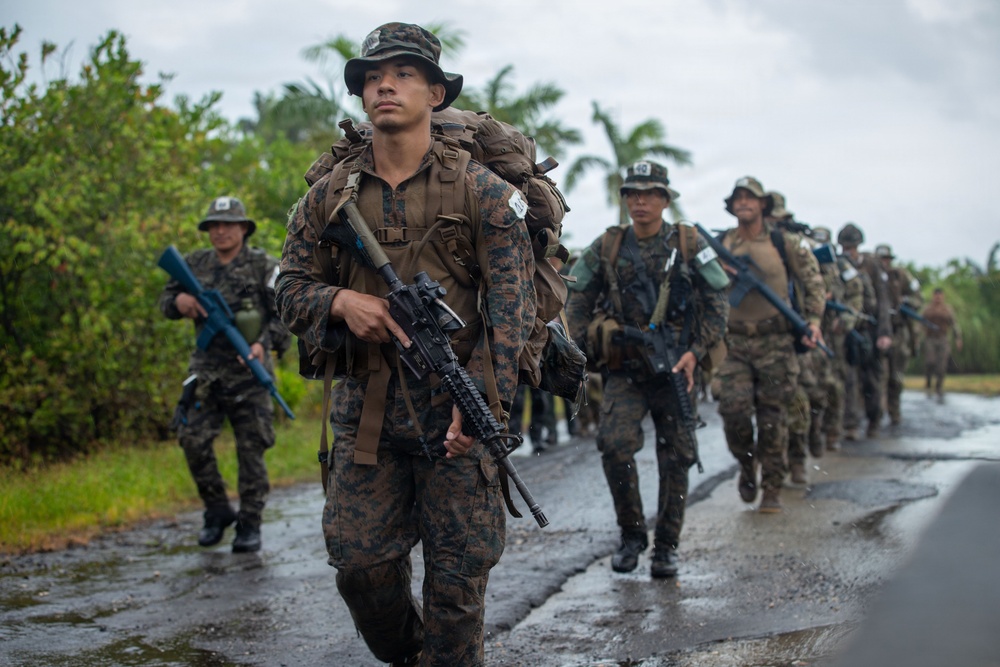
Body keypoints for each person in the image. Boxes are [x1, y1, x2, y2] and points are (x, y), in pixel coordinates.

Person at [274, 23, 535, 666]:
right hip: (366, 412)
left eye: (404, 73)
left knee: (456, 586)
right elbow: (288, 293)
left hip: (458, 408)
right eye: (372, 76)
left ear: (437, 93)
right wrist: (340, 301)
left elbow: (513, 311)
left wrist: (480, 399)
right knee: (360, 571)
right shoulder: (326, 198)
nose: (384, 84)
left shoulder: (484, 193)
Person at [566, 161, 729, 577]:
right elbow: (577, 298)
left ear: (665, 199)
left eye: (650, 193)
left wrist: (695, 352)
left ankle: (666, 546)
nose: (641, 200)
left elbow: (717, 304)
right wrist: (584, 349)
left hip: (677, 366)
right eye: (633, 193)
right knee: (614, 445)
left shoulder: (688, 242)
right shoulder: (609, 245)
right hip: (626, 369)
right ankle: (632, 535)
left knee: (677, 457)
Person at [158, 196, 289, 553]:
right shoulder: (194, 264)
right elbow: (167, 302)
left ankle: (250, 524)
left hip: (251, 372)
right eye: (213, 225)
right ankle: (216, 510)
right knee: (192, 438)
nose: (220, 231)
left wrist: (262, 344)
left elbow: (287, 315)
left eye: (228, 224)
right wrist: (181, 303)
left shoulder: (265, 266)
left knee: (251, 450)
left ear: (243, 228)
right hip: (206, 371)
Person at [715, 177, 825, 512]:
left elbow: (813, 282)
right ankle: (747, 465)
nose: (744, 202)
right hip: (733, 342)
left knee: (772, 418)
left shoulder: (784, 242)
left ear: (764, 204)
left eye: (751, 197)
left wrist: (815, 322)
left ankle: (772, 486)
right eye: (739, 198)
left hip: (776, 341)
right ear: (732, 205)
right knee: (732, 411)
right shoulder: (721, 244)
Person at [766, 192, 826, 485]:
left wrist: (814, 320)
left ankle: (798, 457)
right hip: (760, 334)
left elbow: (817, 281)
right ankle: (769, 466)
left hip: (794, 332)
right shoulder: (746, 243)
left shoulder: (793, 245)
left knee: (801, 396)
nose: (773, 224)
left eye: (778, 219)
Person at [811, 226, 864, 453]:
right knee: (809, 385)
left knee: (835, 384)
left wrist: (845, 320)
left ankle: (833, 432)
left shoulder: (840, 265)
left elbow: (856, 293)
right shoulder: (804, 260)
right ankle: (812, 433)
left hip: (834, 334)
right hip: (809, 332)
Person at [837, 223, 892, 439]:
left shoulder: (872, 265)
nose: (848, 251)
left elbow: (883, 301)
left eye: (851, 247)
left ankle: (874, 421)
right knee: (849, 380)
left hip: (870, 329)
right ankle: (850, 424)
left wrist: (884, 333)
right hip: (849, 330)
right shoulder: (840, 265)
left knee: (872, 380)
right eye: (845, 247)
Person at [875, 243, 922, 426]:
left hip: (898, 331)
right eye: (881, 260)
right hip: (877, 331)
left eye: (886, 259)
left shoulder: (901, 276)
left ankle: (894, 411)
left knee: (896, 376)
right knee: (877, 375)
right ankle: (876, 414)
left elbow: (918, 298)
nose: (884, 263)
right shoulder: (873, 276)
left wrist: (906, 302)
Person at [921, 288, 963, 402]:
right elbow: (920, 323)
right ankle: (928, 382)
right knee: (930, 362)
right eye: (936, 296)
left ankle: (939, 387)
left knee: (942, 365)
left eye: (940, 296)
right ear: (933, 296)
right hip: (930, 339)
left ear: (943, 297)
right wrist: (915, 337)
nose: (938, 298)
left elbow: (954, 324)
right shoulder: (927, 309)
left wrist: (958, 338)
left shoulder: (947, 310)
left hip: (943, 339)